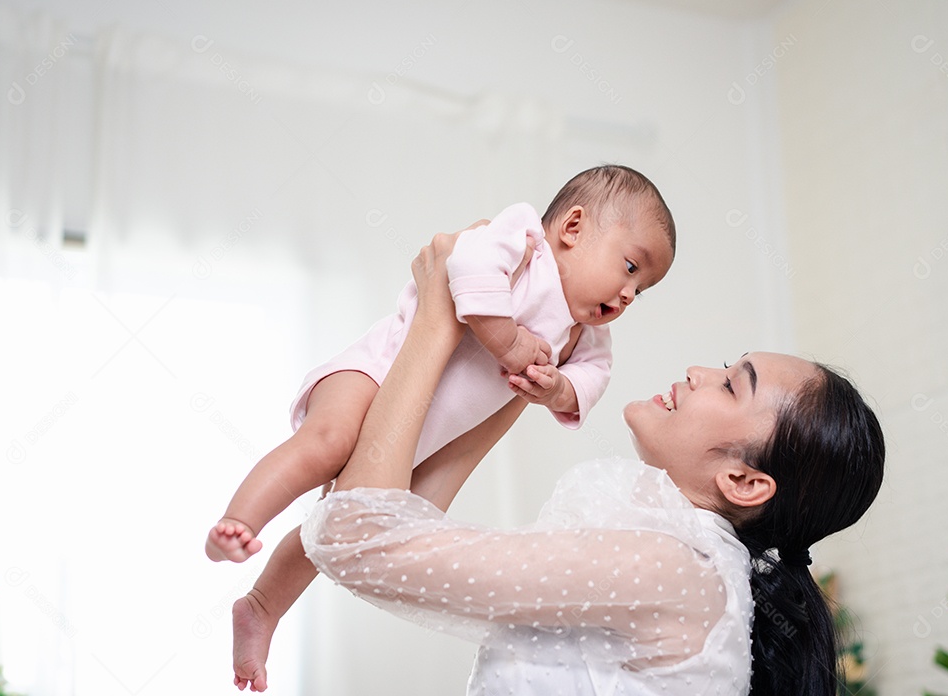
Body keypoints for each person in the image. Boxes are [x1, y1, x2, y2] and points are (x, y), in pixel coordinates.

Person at [287, 232, 887, 695]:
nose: (702, 373)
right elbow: (398, 529)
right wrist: (510, 370)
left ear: (744, 481)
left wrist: (437, 323)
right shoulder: (684, 565)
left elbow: (359, 542)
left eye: (732, 387)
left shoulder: (672, 568)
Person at [206, 164, 676, 565]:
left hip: (414, 439)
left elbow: (592, 380)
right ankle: (237, 520)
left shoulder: (583, 334)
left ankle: (263, 606)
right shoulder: (525, 240)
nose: (630, 294)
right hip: (374, 373)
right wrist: (509, 344)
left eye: (644, 289)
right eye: (631, 268)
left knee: (334, 524)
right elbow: (466, 262)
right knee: (327, 442)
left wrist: (556, 390)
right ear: (572, 228)